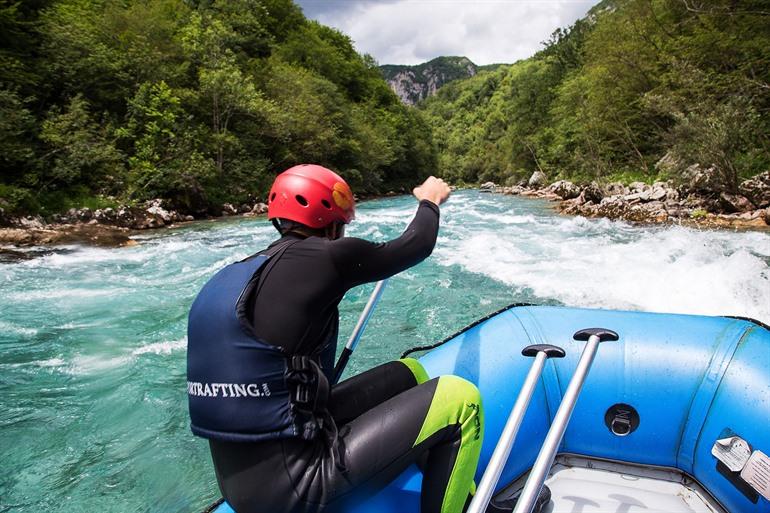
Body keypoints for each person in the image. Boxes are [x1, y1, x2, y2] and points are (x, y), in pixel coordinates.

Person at [186, 164, 485, 513]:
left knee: (410, 373)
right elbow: (416, 244)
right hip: (298, 485)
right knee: (460, 400)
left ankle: (462, 490)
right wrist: (429, 200)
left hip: (247, 485)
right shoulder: (326, 256)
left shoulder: (237, 275)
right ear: (333, 221)